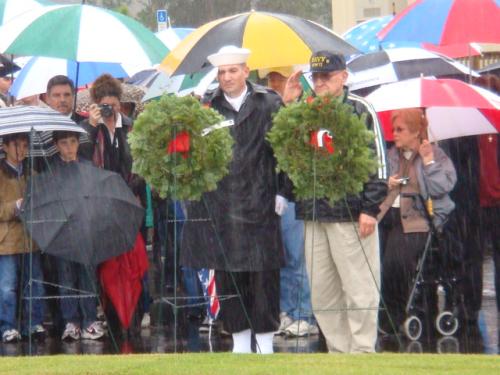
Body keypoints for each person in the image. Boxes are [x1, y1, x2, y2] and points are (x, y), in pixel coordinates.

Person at [180, 46, 285, 354]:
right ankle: (239, 344)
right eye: (222, 72)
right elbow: (195, 158)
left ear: (246, 71)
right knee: (229, 277)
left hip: (262, 203)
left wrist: (282, 191)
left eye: (233, 71)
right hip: (222, 205)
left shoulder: (268, 103)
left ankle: (265, 346)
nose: (227, 77)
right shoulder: (207, 108)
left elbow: (284, 150)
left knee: (264, 277)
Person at [282, 51, 387, 353]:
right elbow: (287, 152)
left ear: (343, 76)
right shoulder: (306, 111)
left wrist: (370, 208)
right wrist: (289, 105)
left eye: (326, 76)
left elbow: (378, 163)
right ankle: (339, 353)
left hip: (351, 214)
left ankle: (362, 351)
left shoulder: (360, 109)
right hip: (314, 213)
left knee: (359, 286)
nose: (320, 82)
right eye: (315, 77)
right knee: (323, 292)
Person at [377, 108, 457, 333]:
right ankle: (383, 314)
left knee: (395, 263)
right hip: (386, 216)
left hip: (419, 218)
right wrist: (386, 183)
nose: (394, 134)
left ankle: (393, 316)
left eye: (400, 129)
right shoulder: (392, 154)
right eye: (393, 129)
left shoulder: (436, 153)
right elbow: (375, 182)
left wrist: (429, 162)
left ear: (415, 132)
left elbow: (442, 188)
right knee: (374, 260)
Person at [260, 66, 317, 337]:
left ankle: (303, 313)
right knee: (281, 259)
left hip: (294, 195)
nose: (272, 86)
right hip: (274, 194)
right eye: (270, 82)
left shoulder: (302, 112)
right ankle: (286, 311)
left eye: (277, 81)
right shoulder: (271, 109)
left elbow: (294, 152)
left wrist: (289, 104)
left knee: (296, 258)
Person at [50, 130, 105, 340]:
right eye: (64, 143)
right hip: (63, 233)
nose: (69, 147)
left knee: (87, 278)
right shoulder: (53, 170)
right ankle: (71, 321)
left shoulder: (87, 166)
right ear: (56, 146)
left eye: (73, 142)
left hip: (85, 230)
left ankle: (89, 319)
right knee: (66, 279)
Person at [0, 133, 46, 342]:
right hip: (6, 240)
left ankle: (33, 323)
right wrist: (15, 206)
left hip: (30, 238)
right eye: (16, 145)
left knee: (34, 283)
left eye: (25, 146)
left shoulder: (32, 173)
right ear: (6, 147)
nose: (21, 150)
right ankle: (7, 326)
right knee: (7, 286)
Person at [79, 74, 132, 180]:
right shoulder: (85, 127)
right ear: (96, 104)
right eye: (106, 106)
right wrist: (92, 127)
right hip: (99, 187)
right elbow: (84, 157)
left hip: (127, 187)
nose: (111, 110)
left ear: (119, 104)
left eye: (114, 105)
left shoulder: (129, 126)